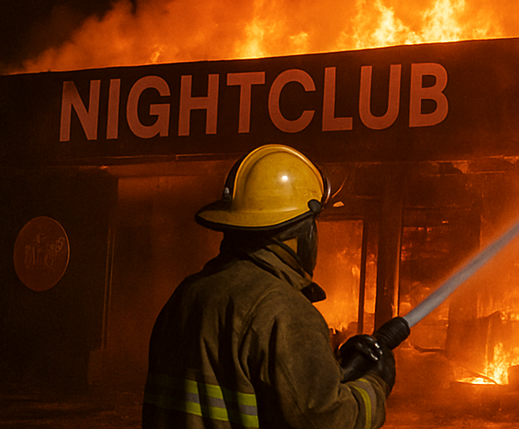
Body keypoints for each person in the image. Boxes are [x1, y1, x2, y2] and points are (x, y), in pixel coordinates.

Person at [143, 144, 395, 429]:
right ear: (301, 232)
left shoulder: (188, 294)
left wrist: (333, 368)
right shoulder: (284, 311)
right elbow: (326, 419)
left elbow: (250, 385)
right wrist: (374, 385)